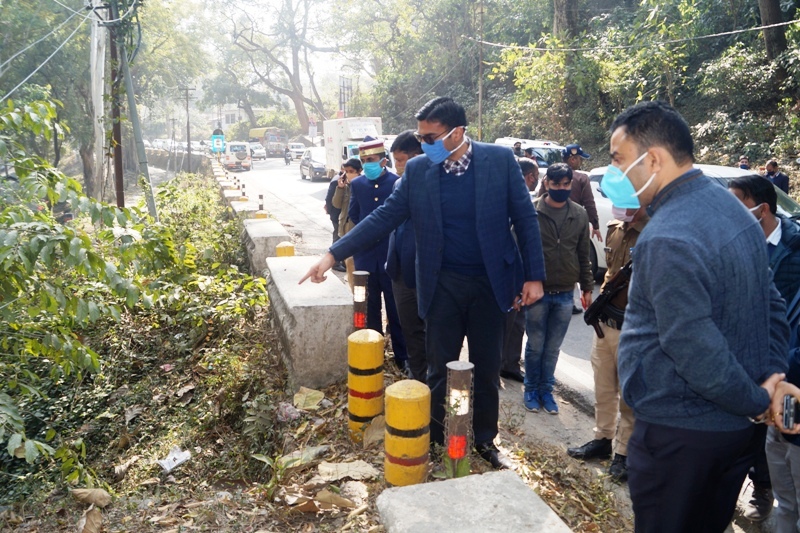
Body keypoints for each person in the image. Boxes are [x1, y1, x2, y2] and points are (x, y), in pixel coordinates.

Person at [300, 96, 545, 469]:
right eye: (421, 137)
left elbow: (525, 218)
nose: (424, 144)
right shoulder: (418, 171)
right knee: (438, 368)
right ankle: (434, 437)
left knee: (486, 368)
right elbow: (384, 216)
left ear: (457, 133)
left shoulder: (498, 161)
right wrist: (333, 254)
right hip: (442, 284)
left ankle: (484, 440)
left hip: (491, 283)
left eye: (431, 137)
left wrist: (534, 276)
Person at [606, 100, 789, 531]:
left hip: (680, 435)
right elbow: (773, 304)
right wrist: (772, 376)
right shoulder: (732, 210)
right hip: (731, 434)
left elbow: (693, 346)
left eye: (618, 159)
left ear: (653, 159)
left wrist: (758, 400)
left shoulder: (668, 235)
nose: (614, 172)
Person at [729, 174, 800, 521]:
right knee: (745, 429)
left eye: (738, 202)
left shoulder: (794, 248)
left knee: (776, 432)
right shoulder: (735, 241)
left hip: (782, 360)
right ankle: (730, 489)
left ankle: (762, 489)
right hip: (744, 350)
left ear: (763, 208)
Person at [567, 205, 648, 482]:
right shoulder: (615, 228)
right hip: (605, 324)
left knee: (628, 396)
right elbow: (610, 272)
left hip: (633, 329)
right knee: (603, 389)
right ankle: (602, 439)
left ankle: (623, 453)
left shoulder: (653, 232)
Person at [523, 163, 593, 415]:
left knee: (553, 348)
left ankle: (546, 391)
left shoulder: (579, 214)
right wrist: (519, 285)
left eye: (566, 184)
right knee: (535, 346)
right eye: (556, 184)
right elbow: (518, 248)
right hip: (537, 292)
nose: (561, 188)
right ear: (546, 183)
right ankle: (531, 390)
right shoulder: (531, 211)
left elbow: (583, 254)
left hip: (565, 294)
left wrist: (587, 287)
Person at [348, 136, 408, 375]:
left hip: (390, 257)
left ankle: (402, 356)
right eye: (364, 161)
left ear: (384, 161)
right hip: (365, 258)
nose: (367, 165)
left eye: (371, 160)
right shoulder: (358, 184)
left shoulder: (397, 182)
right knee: (369, 309)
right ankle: (374, 352)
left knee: (396, 310)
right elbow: (354, 214)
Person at [385, 131, 427, 382]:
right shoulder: (398, 184)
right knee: (409, 329)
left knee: (431, 331)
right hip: (399, 271)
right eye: (395, 161)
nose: (397, 166)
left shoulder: (434, 184)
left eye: (401, 160)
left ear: (417, 157)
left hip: (425, 272)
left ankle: (435, 383)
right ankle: (417, 376)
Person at [501, 157, 539, 383]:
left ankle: (509, 365)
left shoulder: (524, 200)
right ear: (529, 176)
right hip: (510, 274)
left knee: (517, 323)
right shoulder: (508, 200)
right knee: (505, 324)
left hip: (522, 274)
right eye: (535, 176)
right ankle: (495, 368)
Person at [332, 158, 363, 289]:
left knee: (354, 264)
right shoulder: (345, 187)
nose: (348, 174)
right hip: (345, 231)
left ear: (359, 171)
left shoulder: (363, 186)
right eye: (346, 171)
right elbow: (336, 204)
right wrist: (340, 188)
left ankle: (357, 292)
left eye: (351, 171)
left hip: (356, 232)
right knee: (349, 265)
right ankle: (353, 290)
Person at [324, 174, 346, 272]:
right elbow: (329, 199)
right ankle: (335, 263)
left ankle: (342, 261)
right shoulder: (336, 181)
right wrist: (330, 212)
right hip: (337, 215)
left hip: (342, 216)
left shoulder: (349, 182)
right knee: (338, 237)